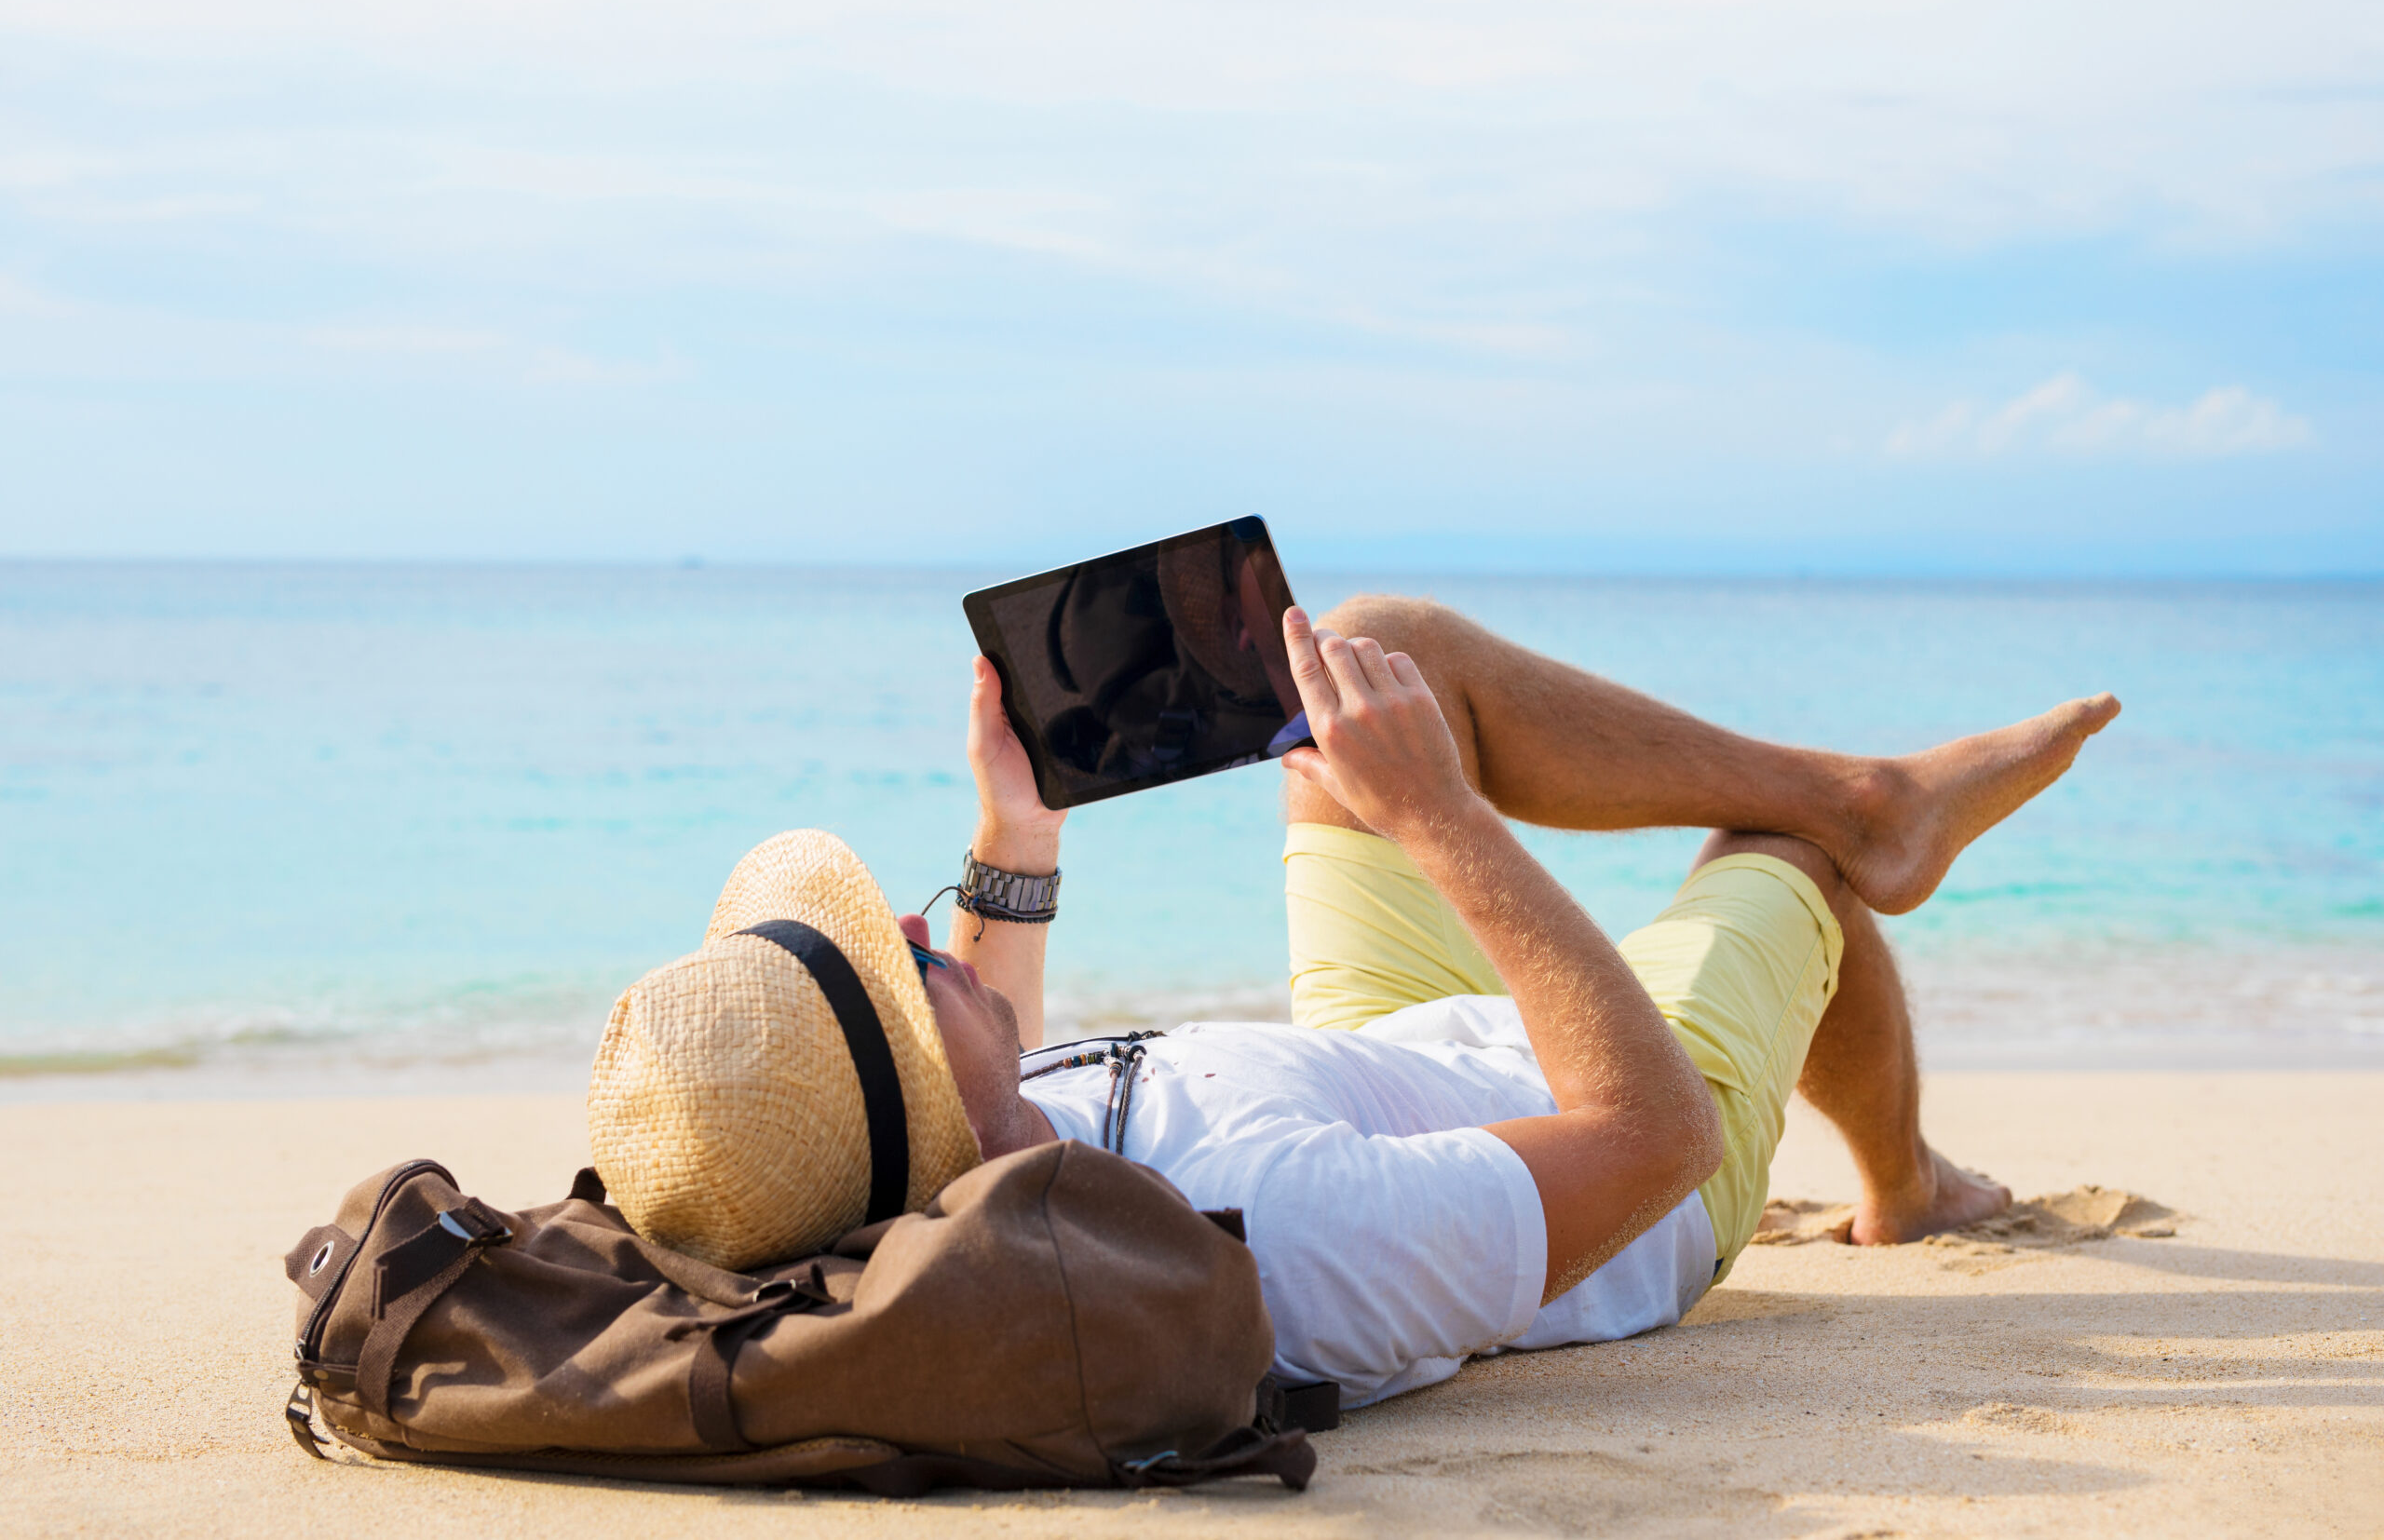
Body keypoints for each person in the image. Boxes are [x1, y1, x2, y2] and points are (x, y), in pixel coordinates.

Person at [589, 595, 2120, 1409]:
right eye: (903, 959)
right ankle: (1895, 1114)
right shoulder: (1266, 1227)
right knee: (1775, 861)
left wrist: (1020, 829)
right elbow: (1645, 1135)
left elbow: (978, 1054)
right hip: (1632, 1137)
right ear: (920, 1082)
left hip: (1382, 1058)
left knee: (1383, 656)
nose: (922, 929)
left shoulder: (956, 1175)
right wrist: (1444, 821)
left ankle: (1861, 808)